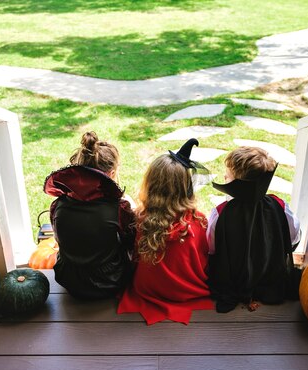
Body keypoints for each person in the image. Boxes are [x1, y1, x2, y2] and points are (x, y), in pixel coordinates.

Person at [117, 139, 214, 325]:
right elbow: (204, 261)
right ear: (185, 188)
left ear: (151, 185)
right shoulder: (198, 222)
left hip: (147, 290)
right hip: (188, 291)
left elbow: (136, 256)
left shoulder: (141, 220)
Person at [206, 146, 301, 313]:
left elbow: (211, 248)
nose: (224, 177)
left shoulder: (221, 213)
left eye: (227, 177)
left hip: (233, 278)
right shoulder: (279, 206)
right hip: (270, 275)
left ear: (237, 185)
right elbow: (293, 238)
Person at [43, 131, 136, 300]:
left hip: (69, 280)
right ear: (112, 173)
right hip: (110, 281)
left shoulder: (58, 205)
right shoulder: (119, 208)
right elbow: (132, 241)